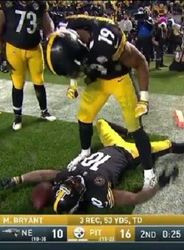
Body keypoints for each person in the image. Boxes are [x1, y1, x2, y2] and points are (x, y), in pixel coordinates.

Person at [0, 119, 184, 214]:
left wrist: (18, 179)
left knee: (101, 122)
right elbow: (134, 199)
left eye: (65, 184)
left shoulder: (67, 177)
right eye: (72, 188)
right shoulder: (98, 193)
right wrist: (159, 185)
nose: (71, 181)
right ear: (80, 199)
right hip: (130, 153)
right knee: (169, 146)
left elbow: (46, 173)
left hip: (112, 143)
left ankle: (128, 130)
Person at [44, 15, 156, 190]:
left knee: (134, 125)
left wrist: (144, 99)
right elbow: (73, 65)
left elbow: (140, 62)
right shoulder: (66, 32)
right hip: (98, 79)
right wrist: (73, 84)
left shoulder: (107, 38)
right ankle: (85, 153)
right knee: (84, 116)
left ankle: (149, 172)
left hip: (120, 78)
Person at [0, 0, 56, 131]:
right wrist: (0, 55)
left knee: (39, 81)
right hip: (14, 49)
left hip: (35, 48)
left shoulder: (40, 3)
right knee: (18, 83)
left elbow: (48, 25)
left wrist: (51, 42)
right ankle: (17, 116)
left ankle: (44, 111)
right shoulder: (6, 4)